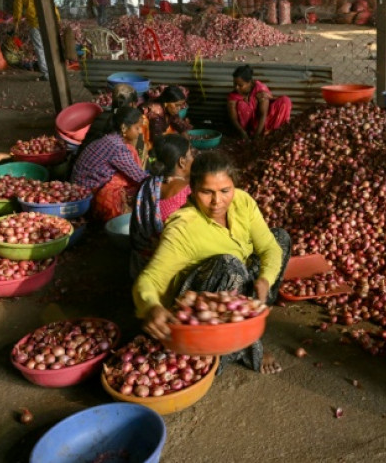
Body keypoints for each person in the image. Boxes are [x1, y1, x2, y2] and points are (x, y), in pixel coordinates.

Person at [134, 151, 291, 374]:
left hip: (237, 282)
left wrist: (265, 280)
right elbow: (149, 279)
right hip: (202, 295)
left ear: (234, 186)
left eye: (225, 191)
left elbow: (269, 247)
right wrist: (151, 307)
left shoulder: (242, 201)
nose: (217, 201)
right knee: (229, 265)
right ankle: (229, 351)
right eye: (207, 192)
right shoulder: (182, 228)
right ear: (193, 188)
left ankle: (252, 314)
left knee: (280, 238)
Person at [129, 134, 194, 280]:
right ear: (182, 162)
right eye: (190, 155)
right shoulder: (187, 191)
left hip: (142, 261)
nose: (193, 159)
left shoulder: (147, 185)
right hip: (167, 264)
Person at [71, 105, 149, 221]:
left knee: (130, 152)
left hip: (78, 186)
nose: (139, 132)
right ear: (124, 128)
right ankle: (110, 216)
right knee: (138, 184)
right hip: (85, 196)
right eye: (137, 128)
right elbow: (140, 177)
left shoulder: (110, 139)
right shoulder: (117, 147)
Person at [12, 0, 59, 82]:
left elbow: (17, 8)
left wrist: (16, 23)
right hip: (49, 20)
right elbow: (52, 3)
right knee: (52, 46)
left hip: (35, 22)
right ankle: (57, 72)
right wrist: (57, 18)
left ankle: (47, 75)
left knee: (40, 48)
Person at [227, 65, 292, 140]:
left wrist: (256, 136)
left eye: (240, 85)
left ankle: (272, 133)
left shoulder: (260, 89)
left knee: (285, 100)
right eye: (234, 84)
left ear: (250, 83)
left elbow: (263, 114)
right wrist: (242, 132)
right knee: (242, 105)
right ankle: (252, 133)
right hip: (250, 127)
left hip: (264, 121)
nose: (236, 87)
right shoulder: (233, 96)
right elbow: (233, 118)